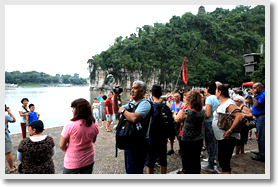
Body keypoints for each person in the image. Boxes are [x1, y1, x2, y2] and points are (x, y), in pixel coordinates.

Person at [113, 80, 151, 174]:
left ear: (142, 91)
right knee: (130, 169)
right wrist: (115, 96)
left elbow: (135, 118)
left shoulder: (145, 104)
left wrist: (123, 111)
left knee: (135, 170)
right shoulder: (132, 103)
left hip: (139, 142)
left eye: (135, 88)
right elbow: (116, 110)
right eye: (132, 88)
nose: (132, 90)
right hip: (130, 139)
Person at [60, 98, 99, 174]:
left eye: (74, 108)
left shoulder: (70, 125)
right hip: (89, 158)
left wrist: (68, 149)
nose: (72, 110)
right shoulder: (94, 123)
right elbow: (93, 140)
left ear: (79, 110)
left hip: (73, 161)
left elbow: (62, 145)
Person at [212, 85, 244, 174]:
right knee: (222, 162)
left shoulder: (228, 103)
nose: (215, 93)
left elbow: (239, 116)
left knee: (225, 162)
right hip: (222, 137)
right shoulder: (223, 103)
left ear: (220, 92)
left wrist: (230, 130)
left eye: (216, 91)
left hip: (227, 138)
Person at [145, 84, 175, 174]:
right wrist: (171, 136)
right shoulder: (166, 108)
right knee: (163, 160)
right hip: (163, 137)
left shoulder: (149, 107)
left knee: (150, 162)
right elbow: (171, 123)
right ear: (162, 93)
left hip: (151, 137)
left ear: (152, 94)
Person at [174, 90, 206, 174]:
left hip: (187, 139)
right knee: (196, 159)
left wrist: (180, 110)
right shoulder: (202, 111)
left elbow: (177, 119)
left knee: (187, 160)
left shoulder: (187, 112)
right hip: (198, 138)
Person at [202, 81, 220, 171]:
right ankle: (219, 164)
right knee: (216, 144)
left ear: (208, 88)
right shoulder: (218, 98)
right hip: (217, 123)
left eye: (205, 88)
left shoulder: (209, 99)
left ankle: (210, 164)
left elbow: (208, 114)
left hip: (209, 123)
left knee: (210, 144)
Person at [251, 83, 265, 162]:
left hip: (262, 117)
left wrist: (254, 95)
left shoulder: (263, 95)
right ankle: (261, 152)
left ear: (260, 87)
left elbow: (256, 104)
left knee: (262, 136)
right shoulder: (260, 94)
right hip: (258, 117)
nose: (253, 89)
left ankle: (262, 155)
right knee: (260, 135)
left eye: (255, 88)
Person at [5, 105, 16, 174]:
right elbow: (14, 120)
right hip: (5, 137)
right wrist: (9, 112)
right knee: (8, 153)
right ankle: (11, 168)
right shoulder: (5, 117)